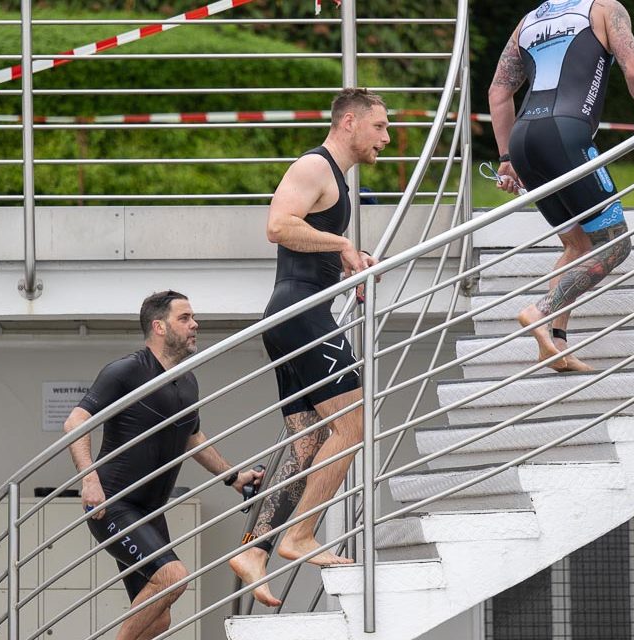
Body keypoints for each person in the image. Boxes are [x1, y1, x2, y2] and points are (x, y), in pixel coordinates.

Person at [227, 88, 389, 607]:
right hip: (301, 315)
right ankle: (300, 535)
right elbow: (278, 226)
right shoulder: (315, 167)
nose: (386, 139)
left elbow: (307, 237)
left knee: (306, 442)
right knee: (353, 421)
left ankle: (257, 547)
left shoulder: (334, 180)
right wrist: (342, 244)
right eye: (379, 127)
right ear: (349, 123)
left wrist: (348, 259)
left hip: (293, 314)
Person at [63, 290, 263, 640]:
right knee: (172, 577)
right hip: (113, 504)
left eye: (192, 317)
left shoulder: (187, 381)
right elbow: (75, 422)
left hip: (152, 511)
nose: (194, 324)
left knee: (159, 620)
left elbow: (192, 438)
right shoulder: (126, 371)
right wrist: (89, 480)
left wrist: (234, 477)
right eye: (184, 318)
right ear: (159, 326)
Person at [488, 0, 634, 372]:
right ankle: (540, 311)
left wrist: (506, 157)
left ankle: (555, 345)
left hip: (523, 140)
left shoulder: (528, 21)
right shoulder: (604, 9)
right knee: (615, 243)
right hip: (566, 136)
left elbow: (499, 93)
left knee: (578, 244)